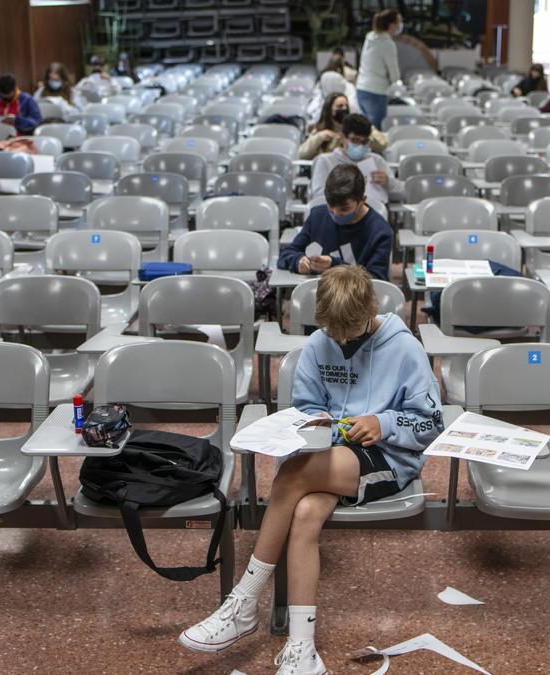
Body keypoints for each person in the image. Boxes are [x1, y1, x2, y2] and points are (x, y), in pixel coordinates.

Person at [179, 264, 444, 675]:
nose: (341, 340)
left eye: (350, 331)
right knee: (304, 514)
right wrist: (316, 420)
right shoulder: (321, 343)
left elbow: (432, 424)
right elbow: (306, 406)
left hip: (390, 459)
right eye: (333, 331)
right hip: (332, 456)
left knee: (293, 474)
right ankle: (301, 649)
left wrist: (384, 422)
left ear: (369, 310)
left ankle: (243, 602)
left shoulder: (403, 347)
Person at [278, 165, 393, 282]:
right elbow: (286, 254)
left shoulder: (380, 231)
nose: (336, 214)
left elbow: (377, 280)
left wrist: (335, 266)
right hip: (317, 293)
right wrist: (298, 261)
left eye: (344, 209)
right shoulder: (317, 216)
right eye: (331, 206)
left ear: (362, 200)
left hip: (358, 298)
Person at [309, 113, 401, 210]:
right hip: (339, 214)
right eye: (355, 140)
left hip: (374, 213)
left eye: (364, 142)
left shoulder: (377, 160)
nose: (360, 145)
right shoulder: (326, 161)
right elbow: (318, 196)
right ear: (342, 137)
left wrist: (388, 183)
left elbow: (402, 194)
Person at [299, 93, 386, 161]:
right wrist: (319, 138)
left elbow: (383, 144)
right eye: (339, 106)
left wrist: (364, 133)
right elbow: (302, 154)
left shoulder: (358, 125)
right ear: (329, 109)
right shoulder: (320, 130)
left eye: (346, 106)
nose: (344, 109)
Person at [356, 9, 403, 130]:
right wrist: (392, 78)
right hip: (376, 92)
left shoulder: (370, 37)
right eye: (399, 22)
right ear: (392, 25)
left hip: (361, 89)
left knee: (364, 129)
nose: (400, 25)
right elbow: (395, 75)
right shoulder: (387, 44)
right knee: (375, 131)